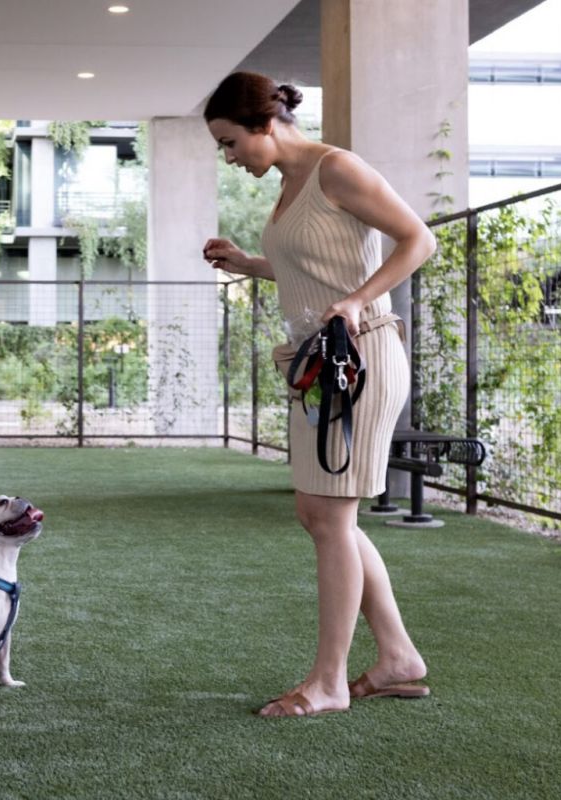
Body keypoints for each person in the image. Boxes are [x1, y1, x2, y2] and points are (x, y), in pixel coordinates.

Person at [203, 72, 437, 718]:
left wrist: (361, 299)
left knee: (331, 518)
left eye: (228, 143)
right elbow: (309, 264)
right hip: (319, 369)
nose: (228, 158)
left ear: (263, 125)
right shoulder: (288, 188)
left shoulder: (338, 169)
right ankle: (398, 659)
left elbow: (420, 238)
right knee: (319, 513)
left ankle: (329, 682)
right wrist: (247, 261)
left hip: (362, 359)